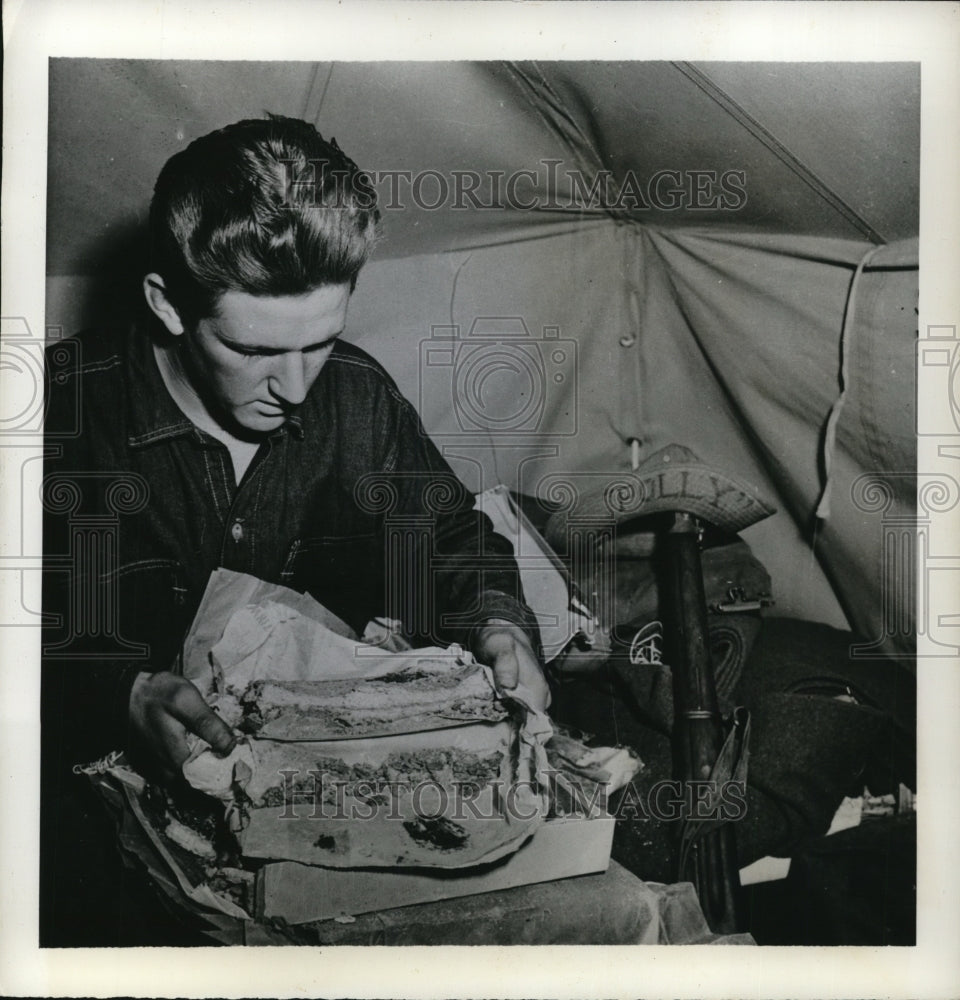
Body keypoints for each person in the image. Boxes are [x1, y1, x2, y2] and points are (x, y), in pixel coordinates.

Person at [40, 115, 548, 943]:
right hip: (87, 818)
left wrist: (498, 624)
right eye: (255, 351)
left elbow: (451, 540)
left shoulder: (356, 396)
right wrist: (117, 689)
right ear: (168, 306)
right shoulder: (58, 412)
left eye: (321, 341)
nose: (299, 388)